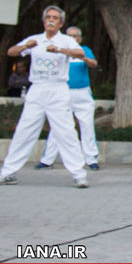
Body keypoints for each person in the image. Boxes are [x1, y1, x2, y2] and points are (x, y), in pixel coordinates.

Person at [1, 6, 89, 188]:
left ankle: (79, 174)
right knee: (24, 130)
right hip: (37, 89)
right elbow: (11, 52)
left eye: (55, 18)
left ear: (61, 23)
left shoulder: (66, 40)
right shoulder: (35, 39)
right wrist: (26, 46)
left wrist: (59, 50)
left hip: (58, 89)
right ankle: (8, 172)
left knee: (66, 132)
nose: (51, 20)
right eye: (48, 17)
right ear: (43, 21)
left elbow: (80, 53)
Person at [36, 26, 100, 171]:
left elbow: (94, 64)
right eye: (69, 36)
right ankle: (47, 160)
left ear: (80, 38)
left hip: (82, 93)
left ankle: (91, 159)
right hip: (62, 92)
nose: (72, 38)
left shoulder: (84, 50)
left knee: (87, 126)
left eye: (75, 36)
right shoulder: (59, 50)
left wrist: (84, 58)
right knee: (57, 125)